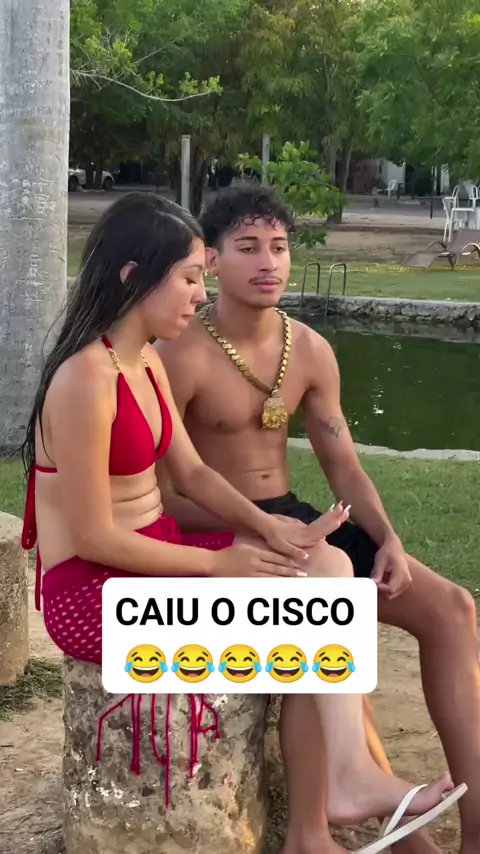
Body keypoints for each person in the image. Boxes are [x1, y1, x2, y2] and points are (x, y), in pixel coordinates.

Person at [155, 183, 476, 854]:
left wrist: (388, 538)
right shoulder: (180, 352)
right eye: (248, 247)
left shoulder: (309, 348)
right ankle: (366, 815)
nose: (267, 262)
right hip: (220, 525)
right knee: (335, 621)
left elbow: (344, 465)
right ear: (211, 259)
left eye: (279, 247)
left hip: (298, 520)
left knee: (452, 609)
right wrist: (254, 529)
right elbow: (161, 492)